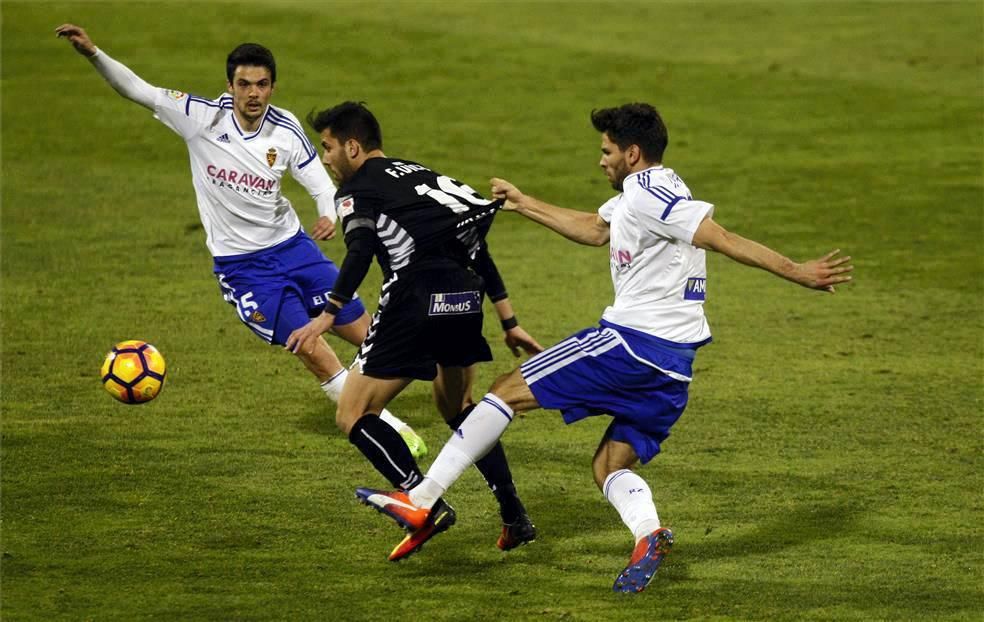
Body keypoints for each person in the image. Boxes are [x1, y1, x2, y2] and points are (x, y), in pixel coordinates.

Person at [356, 103, 854, 592]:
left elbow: (716, 235)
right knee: (609, 467)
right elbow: (596, 229)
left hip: (631, 345)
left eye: (607, 151)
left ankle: (422, 499)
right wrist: (524, 203)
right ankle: (648, 534)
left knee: (505, 391)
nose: (601, 161)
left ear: (632, 153)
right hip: (675, 368)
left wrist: (796, 271)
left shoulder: (649, 195)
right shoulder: (652, 189)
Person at [54, 25, 426, 456]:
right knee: (313, 349)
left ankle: (425, 390)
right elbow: (140, 91)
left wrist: (328, 213)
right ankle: (391, 429)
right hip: (245, 270)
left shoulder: (285, 129)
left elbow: (321, 186)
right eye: (244, 84)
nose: (254, 94)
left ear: (272, 86)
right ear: (229, 86)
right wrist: (93, 53)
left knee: (369, 335)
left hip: (295, 250)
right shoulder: (201, 118)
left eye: (262, 84)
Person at [284, 101, 543, 560]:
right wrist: (509, 320)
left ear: (353, 146)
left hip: (415, 301)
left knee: (352, 413)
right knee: (458, 407)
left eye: (327, 148)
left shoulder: (358, 189)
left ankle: (424, 501)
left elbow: (361, 249)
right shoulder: (419, 175)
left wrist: (328, 314)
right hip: (465, 299)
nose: (325, 159)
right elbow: (476, 248)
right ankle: (514, 515)